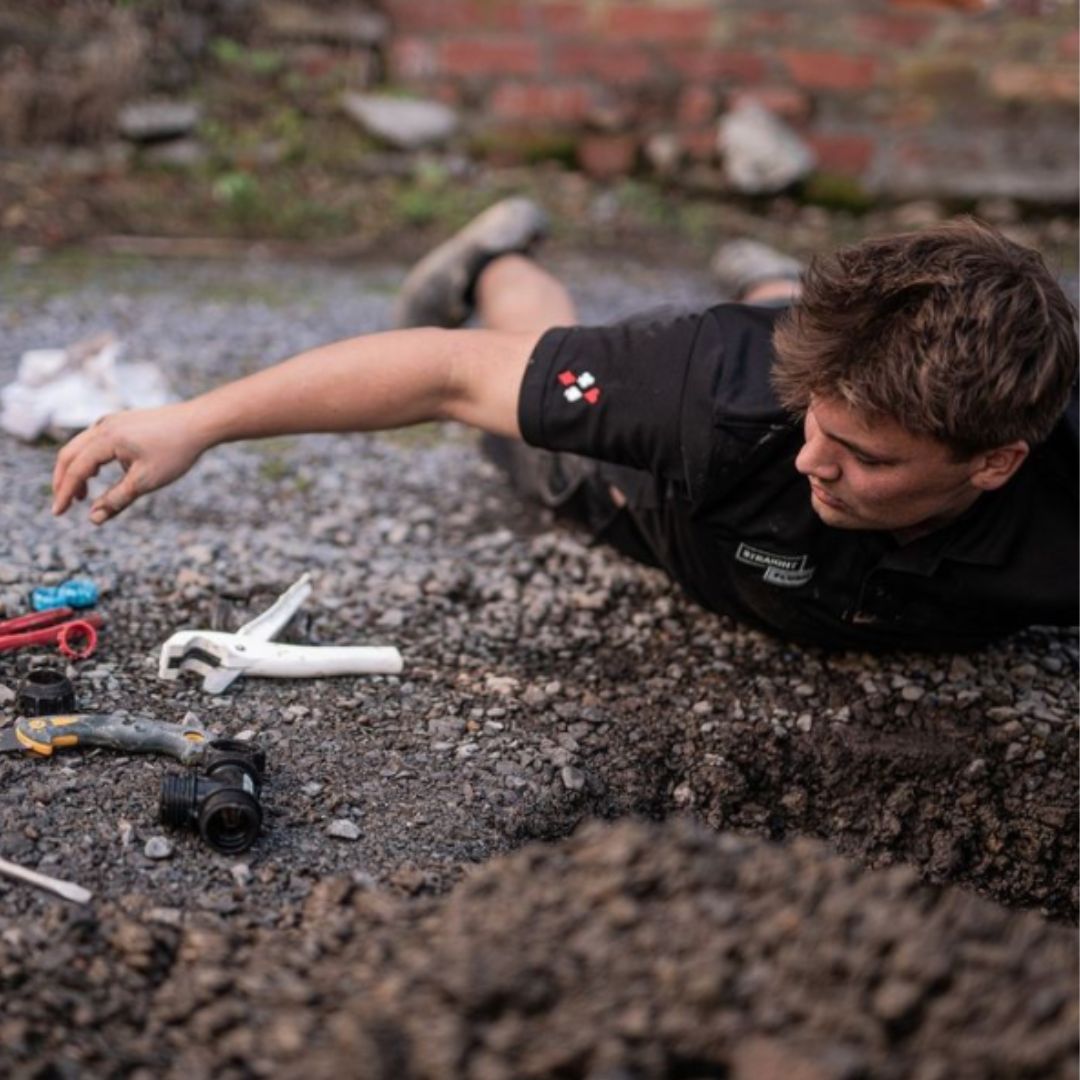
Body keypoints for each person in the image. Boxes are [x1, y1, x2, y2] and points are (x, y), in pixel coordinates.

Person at [51, 199, 1078, 651]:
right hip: (667, 498)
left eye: (863, 457)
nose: (815, 460)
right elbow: (454, 374)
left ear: (995, 462)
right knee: (544, 391)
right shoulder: (712, 393)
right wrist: (195, 421)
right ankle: (494, 260)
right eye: (820, 422)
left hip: (748, 364)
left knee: (756, 348)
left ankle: (764, 275)